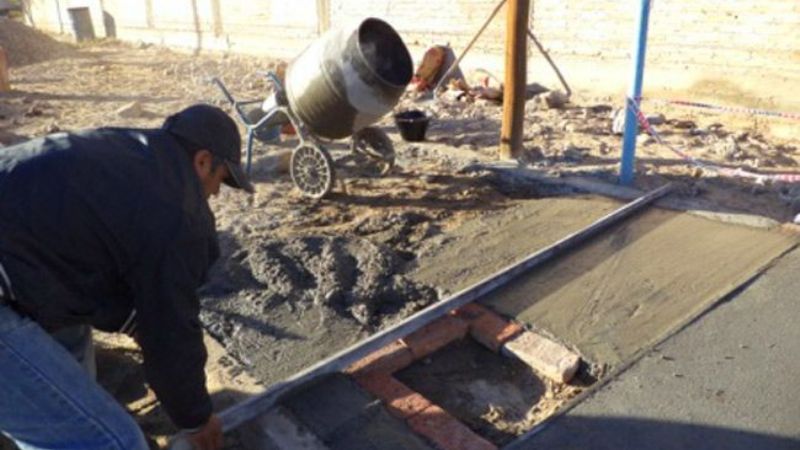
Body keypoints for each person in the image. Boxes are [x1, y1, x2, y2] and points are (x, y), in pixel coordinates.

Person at [0, 104, 254, 450]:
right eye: (221, 180)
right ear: (203, 161)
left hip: (15, 264)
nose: (216, 194)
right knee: (113, 442)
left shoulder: (130, 155)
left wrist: (131, 318)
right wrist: (194, 418)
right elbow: (170, 329)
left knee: (71, 337)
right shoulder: (176, 212)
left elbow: (83, 255)